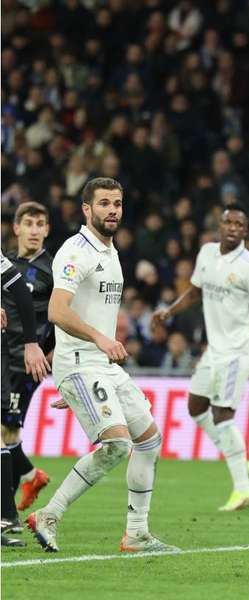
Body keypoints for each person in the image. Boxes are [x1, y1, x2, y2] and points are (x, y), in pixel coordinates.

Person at [27, 177, 176, 554]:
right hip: (81, 361)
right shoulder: (76, 252)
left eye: (117, 203)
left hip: (100, 367)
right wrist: (86, 357)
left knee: (149, 440)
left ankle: (137, 533)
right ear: (86, 209)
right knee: (116, 445)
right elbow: (56, 310)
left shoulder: (110, 251)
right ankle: (50, 514)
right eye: (104, 203)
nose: (112, 210)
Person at [152, 203, 249, 512]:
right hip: (215, 349)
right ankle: (240, 458)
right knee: (195, 407)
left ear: (245, 231)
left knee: (222, 415)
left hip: (238, 349)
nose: (233, 227)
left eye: (239, 224)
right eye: (228, 222)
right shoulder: (206, 253)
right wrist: (169, 310)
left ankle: (243, 490)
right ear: (219, 226)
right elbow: (194, 292)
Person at [2, 203, 55, 529]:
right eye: (29, 223)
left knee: (5, 431)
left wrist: (50, 352)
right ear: (17, 228)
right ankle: (31, 477)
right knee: (8, 432)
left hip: (27, 363)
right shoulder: (7, 264)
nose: (34, 230)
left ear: (47, 230)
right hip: (2, 355)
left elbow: (61, 316)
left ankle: (8, 514)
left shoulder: (53, 269)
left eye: (40, 224)